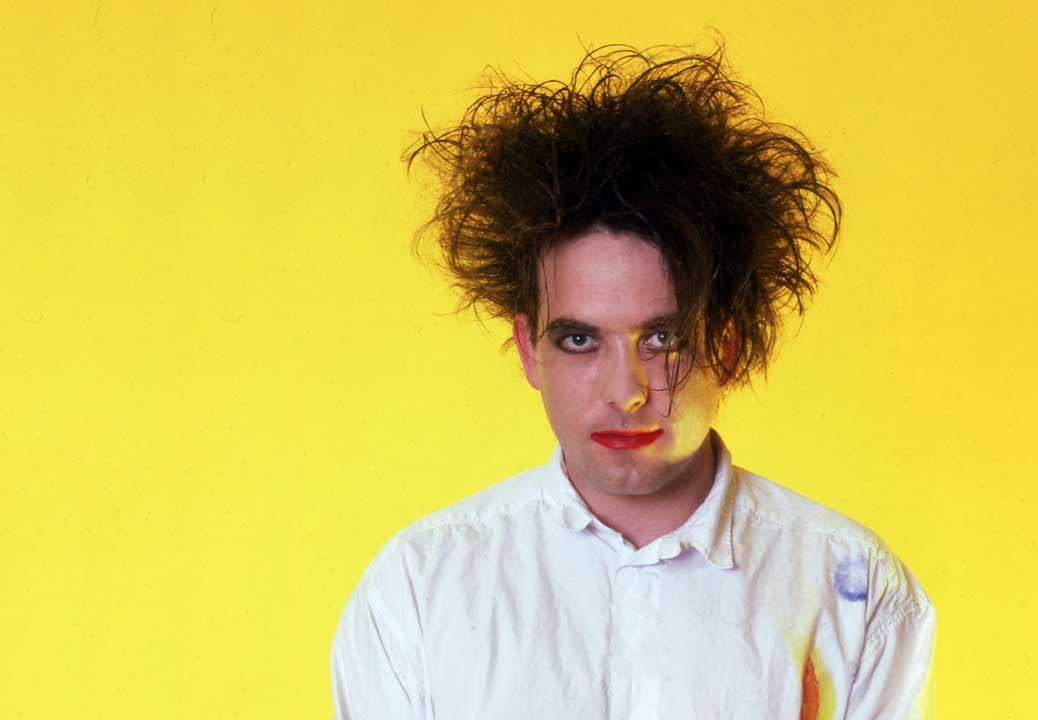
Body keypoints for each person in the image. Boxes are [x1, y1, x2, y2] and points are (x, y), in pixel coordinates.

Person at [331, 42, 935, 719]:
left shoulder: (850, 587)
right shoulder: (418, 586)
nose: (628, 391)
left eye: (663, 338)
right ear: (530, 349)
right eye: (581, 339)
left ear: (726, 343)